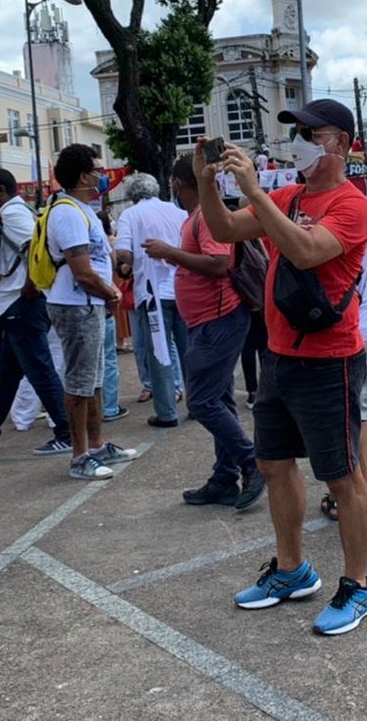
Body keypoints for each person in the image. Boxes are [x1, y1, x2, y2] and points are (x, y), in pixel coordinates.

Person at [201, 98, 367, 636]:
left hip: (329, 361)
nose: (298, 140)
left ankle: (358, 585)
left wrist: (253, 189)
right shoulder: (289, 195)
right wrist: (205, 180)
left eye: (309, 131)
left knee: (343, 477)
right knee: (275, 465)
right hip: (279, 357)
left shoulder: (352, 205)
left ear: (339, 144)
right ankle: (291, 568)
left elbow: (304, 251)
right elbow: (226, 230)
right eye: (295, 131)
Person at [144, 155, 263, 509]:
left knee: (202, 401)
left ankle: (250, 461)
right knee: (219, 399)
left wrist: (171, 253)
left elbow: (219, 265)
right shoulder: (195, 218)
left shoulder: (205, 219)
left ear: (178, 184)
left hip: (219, 320)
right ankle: (224, 478)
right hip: (208, 322)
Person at [44, 144, 137, 480]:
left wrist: (106, 294)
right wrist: (111, 292)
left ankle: (96, 445)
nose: (101, 176)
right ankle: (79, 454)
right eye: (96, 170)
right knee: (79, 382)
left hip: (88, 304)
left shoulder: (80, 209)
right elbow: (82, 271)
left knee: (93, 379)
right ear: (83, 175)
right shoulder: (67, 212)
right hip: (76, 305)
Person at [0, 168, 74, 457]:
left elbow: (37, 246)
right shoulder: (10, 214)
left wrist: (32, 284)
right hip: (15, 304)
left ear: (2, 190)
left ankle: (66, 432)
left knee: (40, 369)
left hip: (21, 303)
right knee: (7, 375)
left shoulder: (12, 214)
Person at [321, 209, 367, 525]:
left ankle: (341, 493)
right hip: (364, 326)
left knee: (338, 416)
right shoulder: (361, 211)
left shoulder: (308, 210)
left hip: (330, 333)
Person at [113, 172, 186, 428]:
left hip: (152, 291)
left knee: (159, 352)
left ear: (132, 194)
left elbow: (123, 251)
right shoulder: (177, 211)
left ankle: (167, 412)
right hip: (183, 288)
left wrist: (131, 263)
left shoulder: (130, 215)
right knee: (189, 351)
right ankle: (201, 405)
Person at [98, 210, 128, 422]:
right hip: (102, 302)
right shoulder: (104, 243)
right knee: (107, 359)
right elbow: (112, 266)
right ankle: (109, 407)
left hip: (76, 304)